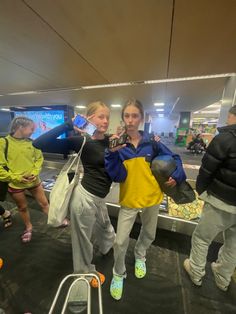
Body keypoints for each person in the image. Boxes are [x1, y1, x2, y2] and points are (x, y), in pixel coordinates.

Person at [105, 99, 186, 300]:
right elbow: (115, 175)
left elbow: (175, 158)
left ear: (141, 118)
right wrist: (112, 154)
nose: (130, 120)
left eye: (135, 116)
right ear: (123, 118)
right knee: (121, 240)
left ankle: (141, 255)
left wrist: (176, 176)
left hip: (152, 198)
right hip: (130, 200)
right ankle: (118, 273)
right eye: (127, 116)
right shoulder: (118, 146)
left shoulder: (152, 142)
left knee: (149, 233)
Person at [33, 101, 116, 287]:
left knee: (105, 226)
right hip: (84, 198)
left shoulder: (111, 140)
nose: (105, 121)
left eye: (107, 117)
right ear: (89, 119)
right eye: (100, 116)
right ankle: (84, 273)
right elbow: (39, 143)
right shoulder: (82, 141)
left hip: (100, 197)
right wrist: (68, 124)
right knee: (83, 239)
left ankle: (108, 246)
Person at [183, 105, 236, 291]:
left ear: (232, 116)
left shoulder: (225, 139)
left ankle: (196, 273)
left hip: (221, 201)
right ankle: (223, 278)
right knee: (233, 245)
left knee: (202, 238)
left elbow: (207, 168)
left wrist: (201, 190)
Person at [0, 117, 49, 243]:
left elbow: (39, 159)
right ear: (20, 127)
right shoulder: (4, 143)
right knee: (22, 207)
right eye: (31, 129)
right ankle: (28, 227)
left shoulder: (33, 143)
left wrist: (34, 172)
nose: (33, 131)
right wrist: (16, 177)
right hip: (15, 184)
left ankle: (55, 220)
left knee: (45, 204)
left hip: (33, 181)